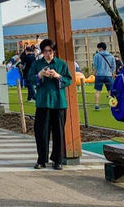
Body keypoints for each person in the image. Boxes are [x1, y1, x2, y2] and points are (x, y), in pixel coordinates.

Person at [27, 39, 72, 170]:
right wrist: (39, 75)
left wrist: (58, 76)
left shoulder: (61, 64)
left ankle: (58, 159)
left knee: (58, 132)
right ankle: (42, 159)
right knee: (41, 132)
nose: (48, 54)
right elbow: (29, 78)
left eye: (51, 51)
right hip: (43, 102)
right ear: (42, 52)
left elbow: (68, 79)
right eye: (46, 51)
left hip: (59, 102)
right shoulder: (37, 64)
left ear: (54, 52)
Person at [92, 42, 116, 110]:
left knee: (98, 91)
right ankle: (112, 104)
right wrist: (112, 73)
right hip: (108, 75)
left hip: (99, 75)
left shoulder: (97, 56)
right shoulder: (111, 56)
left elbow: (95, 65)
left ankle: (97, 105)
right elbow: (113, 66)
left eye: (98, 48)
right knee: (110, 91)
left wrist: (95, 72)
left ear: (101, 48)